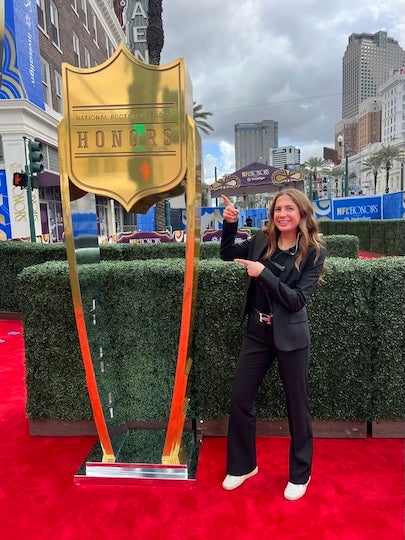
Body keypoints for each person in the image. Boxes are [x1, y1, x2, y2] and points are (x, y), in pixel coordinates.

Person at [220, 188, 326, 501]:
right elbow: (227, 254)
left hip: (291, 337)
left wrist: (264, 273)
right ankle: (242, 466)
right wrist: (229, 224)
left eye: (289, 209)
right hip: (258, 332)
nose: (282, 214)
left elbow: (296, 301)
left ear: (302, 214)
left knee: (297, 407)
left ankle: (300, 473)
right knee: (240, 399)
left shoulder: (314, 251)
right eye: (278, 208)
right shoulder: (260, 241)